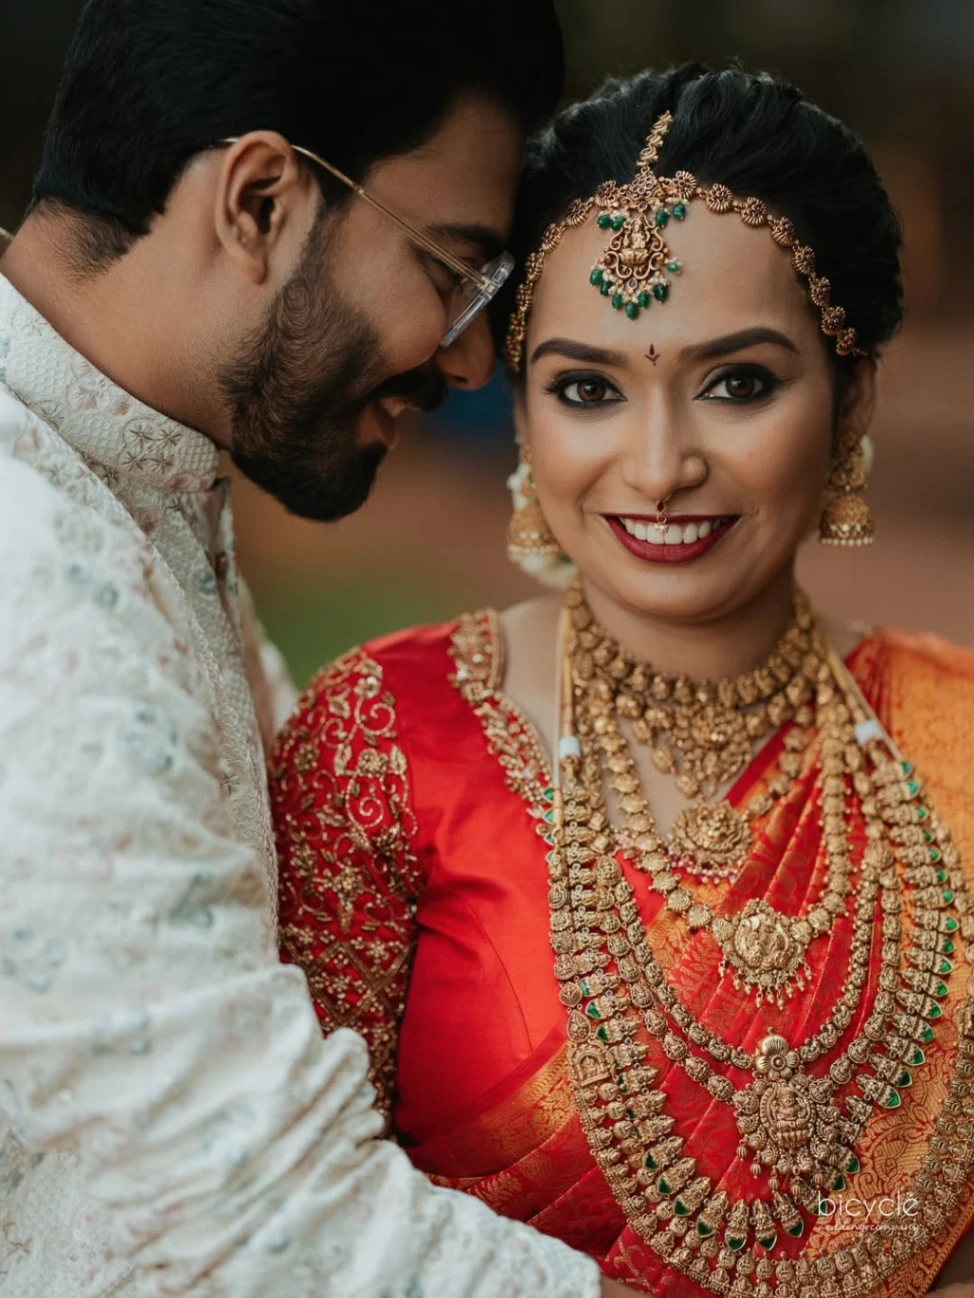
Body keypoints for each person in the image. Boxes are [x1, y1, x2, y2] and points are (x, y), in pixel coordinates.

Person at [270, 64, 974, 1298]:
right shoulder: (384, 745)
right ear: (522, 409)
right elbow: (295, 1226)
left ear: (850, 393)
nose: (655, 466)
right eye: (587, 388)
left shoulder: (955, 734)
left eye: (736, 382)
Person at [0, 1, 636, 1295]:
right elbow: (258, 1222)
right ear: (257, 202)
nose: (470, 357)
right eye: (450, 270)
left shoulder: (122, 482)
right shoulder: (39, 573)